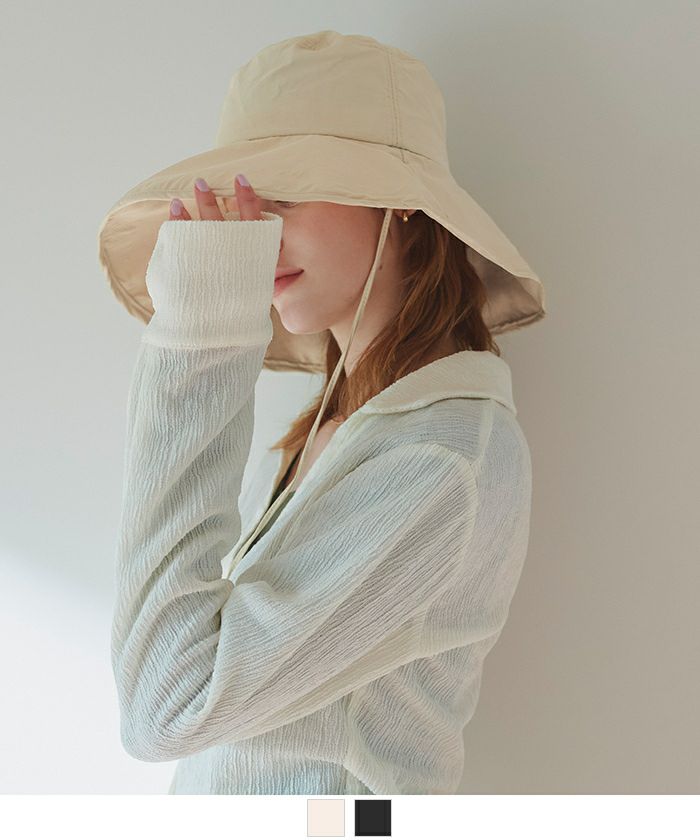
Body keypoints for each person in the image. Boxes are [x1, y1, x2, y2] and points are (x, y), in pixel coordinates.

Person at [100, 30, 545, 795]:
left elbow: (164, 709)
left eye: (285, 197)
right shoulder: (339, 431)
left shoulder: (440, 456)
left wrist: (202, 340)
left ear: (400, 203)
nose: (257, 231)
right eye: (244, 206)